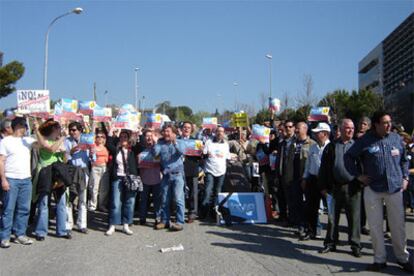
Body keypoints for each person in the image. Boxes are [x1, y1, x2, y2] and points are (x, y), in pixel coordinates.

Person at [345, 111, 413, 273]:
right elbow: (348, 157)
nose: (389, 125)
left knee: (398, 226)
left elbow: (405, 159)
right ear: (376, 125)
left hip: (395, 188)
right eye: (385, 122)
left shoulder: (396, 139)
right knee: (375, 227)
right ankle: (379, 259)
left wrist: (405, 177)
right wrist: (358, 176)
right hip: (373, 189)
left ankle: (403, 258)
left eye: (390, 122)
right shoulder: (365, 141)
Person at [318, 119, 362, 257]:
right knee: (332, 218)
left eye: (352, 128)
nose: (350, 131)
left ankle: (355, 245)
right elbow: (324, 168)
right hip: (334, 187)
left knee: (354, 218)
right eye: (347, 128)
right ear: (341, 130)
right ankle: (330, 243)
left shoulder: (357, 146)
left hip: (352, 188)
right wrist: (324, 186)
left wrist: (361, 182)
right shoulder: (331, 147)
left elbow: (363, 167)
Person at [0, 117, 36, 248]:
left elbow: (42, 143)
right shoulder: (6, 141)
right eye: (21, 126)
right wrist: (3, 179)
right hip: (11, 179)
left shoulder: (27, 140)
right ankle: (4, 236)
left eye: (25, 126)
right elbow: (1, 161)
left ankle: (20, 234)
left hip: (26, 179)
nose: (24, 129)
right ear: (14, 127)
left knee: (24, 209)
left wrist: (37, 127)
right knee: (8, 209)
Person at [33, 119, 71, 240]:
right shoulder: (44, 140)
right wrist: (62, 138)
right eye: (59, 128)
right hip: (46, 172)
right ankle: (40, 232)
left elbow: (65, 160)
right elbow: (51, 149)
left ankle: (62, 230)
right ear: (54, 129)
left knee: (61, 202)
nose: (61, 130)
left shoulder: (60, 141)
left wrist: (65, 153)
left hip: (58, 172)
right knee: (44, 202)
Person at [105, 129, 141, 236]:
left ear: (129, 139)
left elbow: (142, 144)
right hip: (118, 178)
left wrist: (139, 133)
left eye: (125, 137)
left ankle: (126, 224)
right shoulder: (116, 149)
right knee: (116, 202)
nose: (123, 139)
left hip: (130, 178)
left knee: (130, 201)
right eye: (121, 137)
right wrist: (111, 132)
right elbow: (108, 143)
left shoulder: (133, 150)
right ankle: (113, 224)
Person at [284, 121, 315, 238]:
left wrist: (306, 178)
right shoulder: (292, 143)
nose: (295, 130)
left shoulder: (312, 144)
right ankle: (301, 226)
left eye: (298, 128)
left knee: (309, 205)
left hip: (306, 179)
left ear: (305, 129)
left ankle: (311, 227)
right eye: (295, 128)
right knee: (297, 204)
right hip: (294, 178)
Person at [301, 122, 331, 240]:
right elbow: (308, 164)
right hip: (313, 179)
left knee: (330, 209)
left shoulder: (331, 147)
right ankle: (311, 231)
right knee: (311, 207)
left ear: (325, 133)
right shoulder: (313, 147)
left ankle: (332, 236)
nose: (315, 134)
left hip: (326, 181)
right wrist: (305, 177)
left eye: (318, 132)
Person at [153, 124, 186, 231]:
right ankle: (165, 221)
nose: (166, 133)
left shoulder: (180, 142)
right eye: (165, 131)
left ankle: (180, 222)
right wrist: (155, 142)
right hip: (166, 175)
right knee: (164, 200)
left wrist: (174, 142)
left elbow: (182, 151)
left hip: (178, 175)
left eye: (168, 131)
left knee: (178, 199)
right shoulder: (160, 143)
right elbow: (155, 154)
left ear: (173, 133)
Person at [64, 121, 94, 234]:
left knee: (82, 199)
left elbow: (93, 159)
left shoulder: (87, 140)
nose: (72, 132)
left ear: (80, 130)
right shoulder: (67, 141)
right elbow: (64, 158)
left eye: (74, 130)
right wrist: (70, 152)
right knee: (70, 198)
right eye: (70, 130)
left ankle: (82, 224)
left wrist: (92, 153)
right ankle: (68, 224)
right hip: (72, 170)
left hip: (83, 170)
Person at [200, 126, 230, 219]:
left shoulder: (226, 144)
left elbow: (228, 156)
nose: (220, 133)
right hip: (210, 170)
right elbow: (203, 154)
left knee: (218, 192)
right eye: (218, 131)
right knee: (208, 191)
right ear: (215, 132)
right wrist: (204, 153)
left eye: (222, 131)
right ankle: (203, 212)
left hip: (221, 171)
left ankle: (215, 212)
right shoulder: (209, 142)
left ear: (224, 133)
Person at [138, 129, 162, 226]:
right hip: (144, 178)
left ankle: (158, 218)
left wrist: (155, 143)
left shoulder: (158, 147)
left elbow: (157, 156)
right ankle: (142, 218)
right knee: (143, 200)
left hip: (156, 178)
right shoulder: (141, 148)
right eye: (147, 136)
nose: (149, 138)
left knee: (157, 200)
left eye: (151, 136)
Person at [179, 121, 202, 223]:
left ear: (191, 130)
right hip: (179, 169)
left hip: (192, 169)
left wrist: (202, 151)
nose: (186, 129)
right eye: (185, 127)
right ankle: (180, 212)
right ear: (182, 129)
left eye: (188, 127)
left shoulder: (196, 141)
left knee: (193, 192)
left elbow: (200, 157)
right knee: (180, 192)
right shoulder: (177, 140)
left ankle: (192, 212)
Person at [278, 120, 296, 225]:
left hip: (292, 175)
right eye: (286, 127)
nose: (288, 129)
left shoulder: (296, 141)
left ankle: (293, 219)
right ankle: (284, 217)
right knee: (283, 197)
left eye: (290, 126)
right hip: (281, 173)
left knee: (292, 199)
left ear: (293, 128)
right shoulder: (282, 143)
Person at [88, 130, 109, 212]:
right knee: (94, 187)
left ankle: (102, 205)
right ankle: (93, 204)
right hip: (95, 167)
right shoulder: (93, 146)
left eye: (102, 137)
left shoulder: (106, 146)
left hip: (104, 167)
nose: (100, 138)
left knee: (104, 188)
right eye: (98, 136)